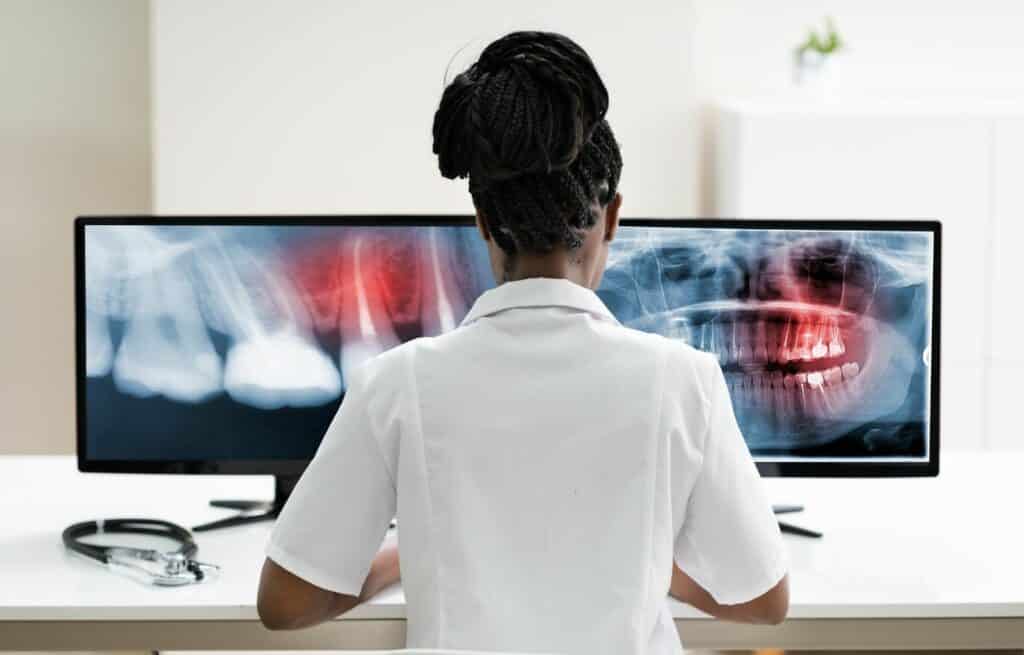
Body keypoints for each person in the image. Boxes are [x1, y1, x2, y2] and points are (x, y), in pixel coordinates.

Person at [257, 30, 788, 655]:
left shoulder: (398, 382)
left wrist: (411, 554)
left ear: (481, 220)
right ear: (612, 216)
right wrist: (643, 561)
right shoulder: (682, 378)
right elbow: (761, 600)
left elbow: (285, 603)